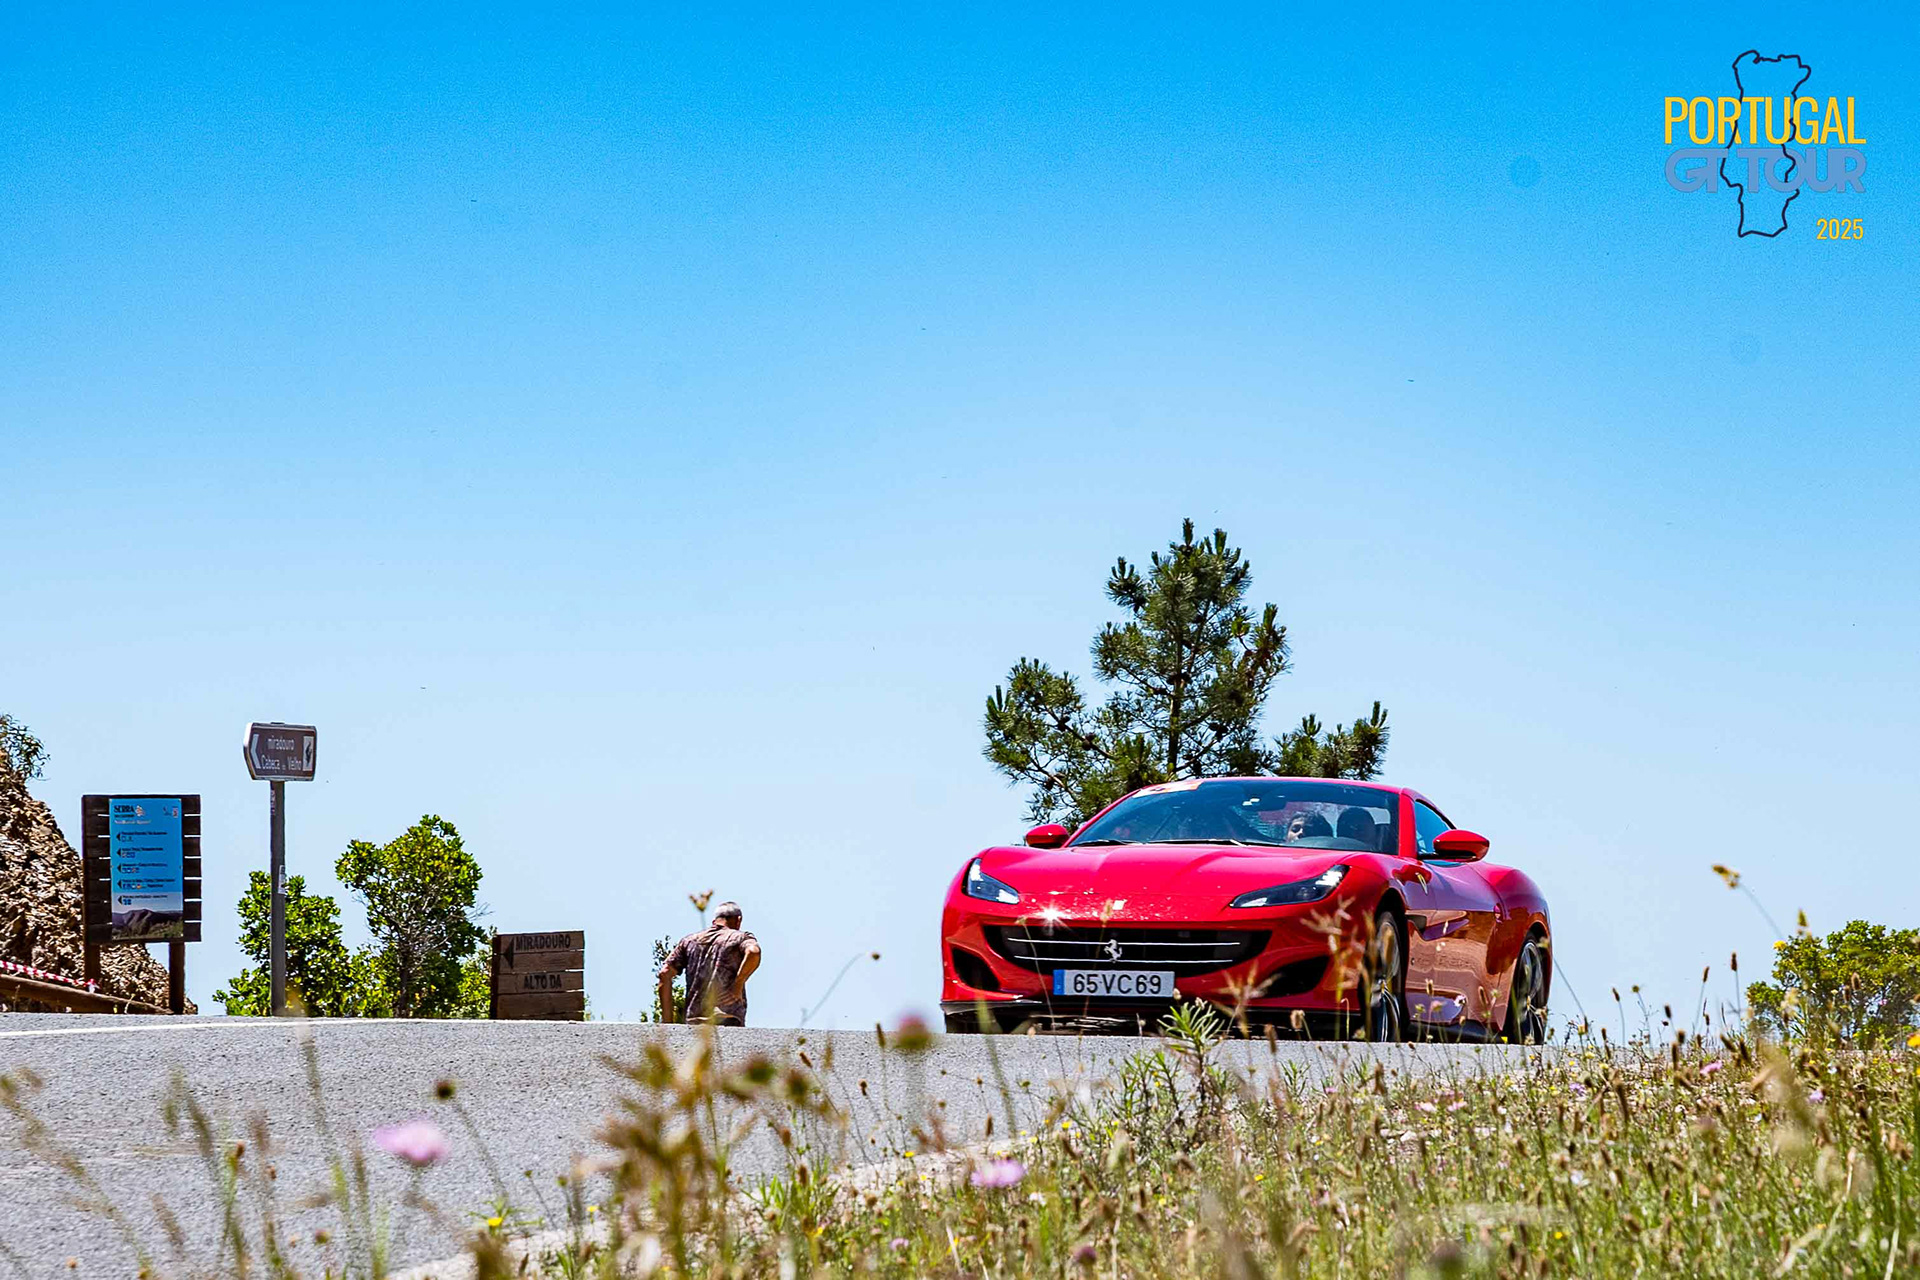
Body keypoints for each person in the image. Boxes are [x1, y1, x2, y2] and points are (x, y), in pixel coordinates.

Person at [657, 902, 762, 1026]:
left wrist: (668, 1023)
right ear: (738, 920)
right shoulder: (740, 937)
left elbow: (664, 974)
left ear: (714, 921)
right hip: (727, 1019)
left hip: (694, 1022)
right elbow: (754, 952)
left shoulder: (689, 941)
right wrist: (737, 985)